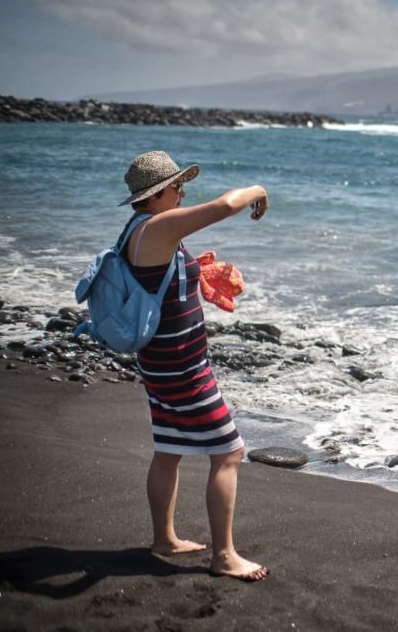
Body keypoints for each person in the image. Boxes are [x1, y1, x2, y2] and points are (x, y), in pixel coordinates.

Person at [118, 150, 269, 582]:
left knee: (169, 448)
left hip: (160, 361)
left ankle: (164, 538)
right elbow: (224, 206)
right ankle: (224, 556)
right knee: (229, 451)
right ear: (156, 194)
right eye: (177, 187)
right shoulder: (159, 225)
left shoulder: (136, 229)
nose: (183, 192)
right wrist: (259, 190)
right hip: (181, 366)